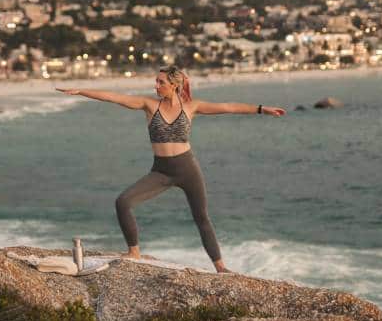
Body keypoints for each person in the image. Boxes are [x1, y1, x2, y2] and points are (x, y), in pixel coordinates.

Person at [56, 65, 286, 273]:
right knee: (123, 202)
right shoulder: (149, 105)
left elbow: (229, 107)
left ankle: (220, 267)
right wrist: (82, 91)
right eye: (156, 81)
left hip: (187, 168)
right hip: (161, 171)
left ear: (174, 85)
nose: (156, 86)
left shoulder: (192, 107)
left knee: (201, 217)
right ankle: (134, 251)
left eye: (161, 82)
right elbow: (115, 97)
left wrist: (261, 109)